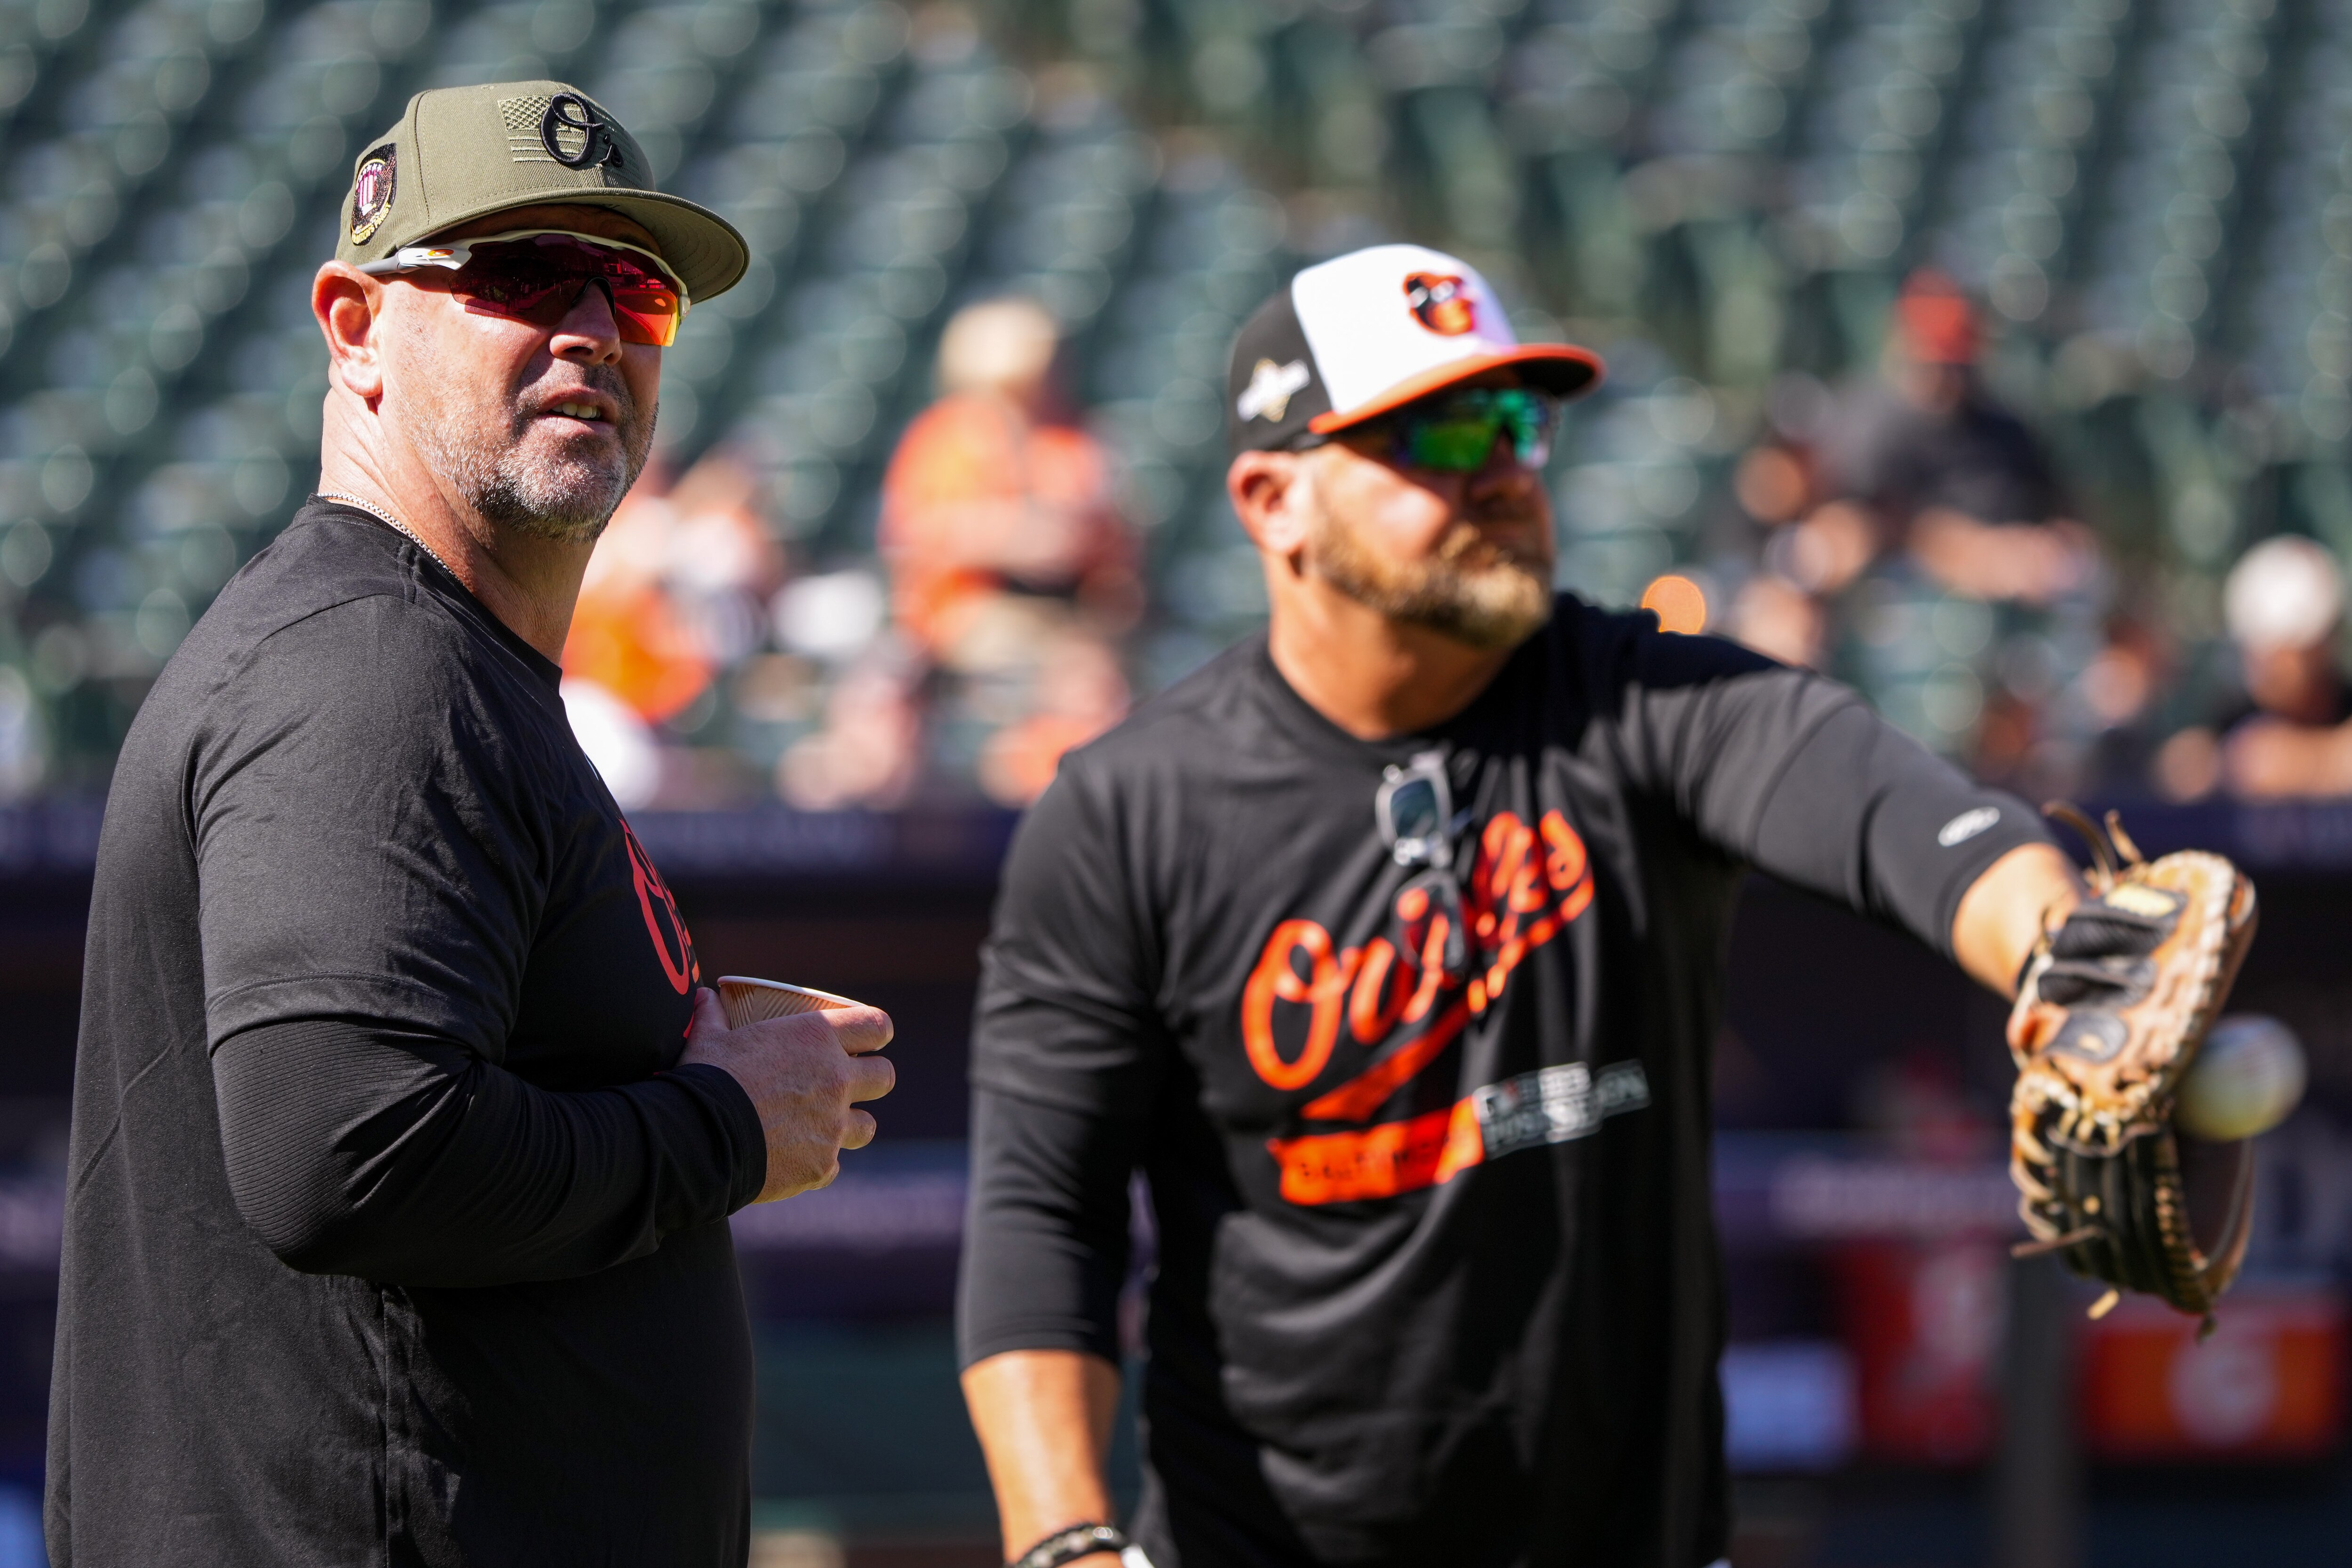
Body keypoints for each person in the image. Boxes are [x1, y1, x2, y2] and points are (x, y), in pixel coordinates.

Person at [954, 245, 2085, 1568]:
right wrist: (1061, 1542)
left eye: (1517, 422)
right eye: (1434, 432)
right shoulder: (1126, 809)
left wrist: (2068, 957)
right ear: (1274, 499)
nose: (1498, 467)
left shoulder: (1649, 706)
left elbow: (1917, 825)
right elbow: (1043, 1208)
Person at [47, 81, 896, 1567]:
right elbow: (344, 1151)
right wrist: (723, 1124)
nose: (589, 328)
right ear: (355, 326)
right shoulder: (372, 669)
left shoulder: (435, 665)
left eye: (632, 291)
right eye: (516, 275)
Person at [2156, 534, 2352, 799]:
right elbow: (2181, 767)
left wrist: (2300, 762)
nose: (2272, 666)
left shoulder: (2342, 704)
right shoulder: (2226, 717)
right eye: (2262, 650)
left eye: (2292, 648)